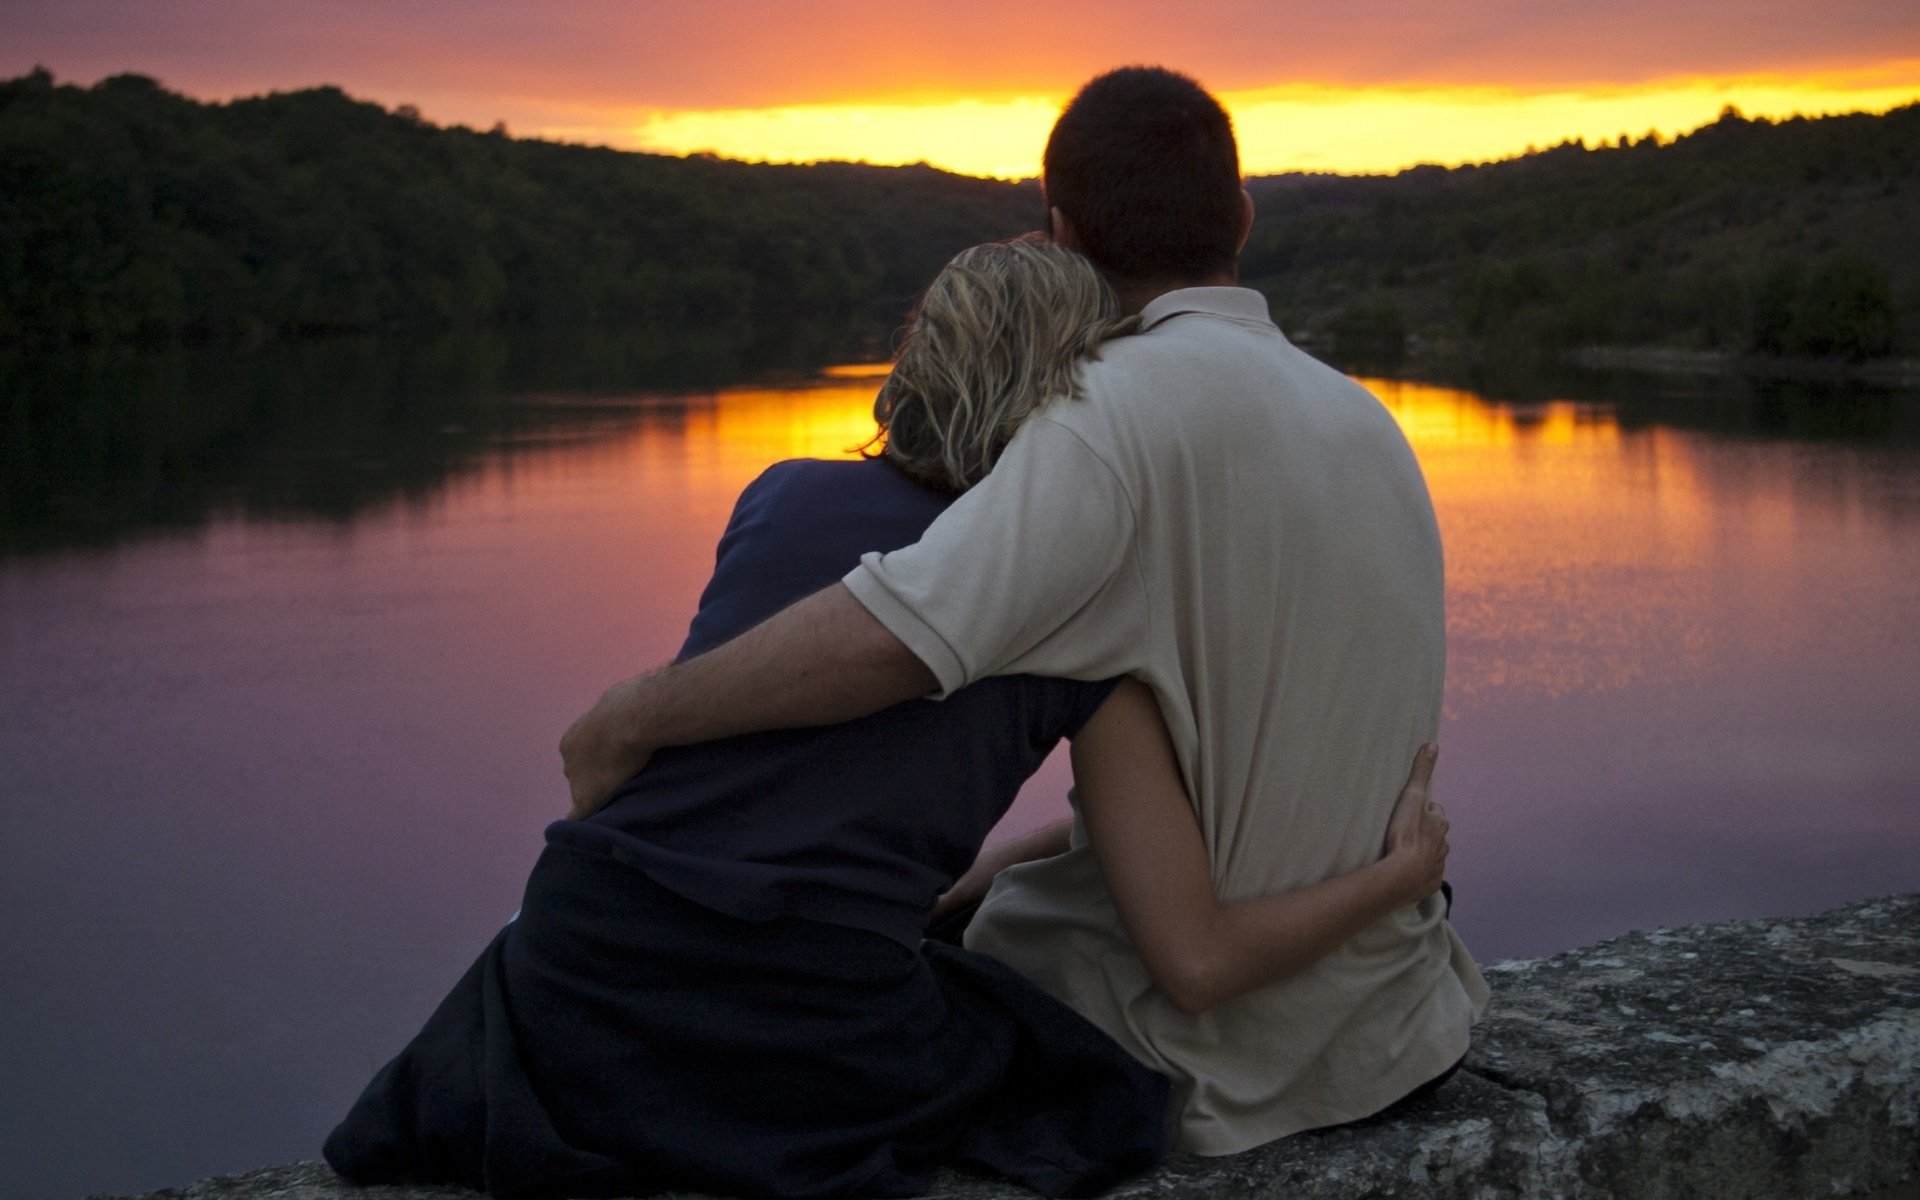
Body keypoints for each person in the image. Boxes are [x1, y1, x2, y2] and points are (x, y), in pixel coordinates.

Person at [325, 237, 1454, 1200]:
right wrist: (1397, 877)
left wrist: (954, 888)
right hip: (795, 1013)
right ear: (1079, 394)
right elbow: (1193, 954)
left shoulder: (777, 495)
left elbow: (793, 788)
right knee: (1083, 1080)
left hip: (577, 959)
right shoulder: (1076, 603)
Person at [559, 66, 1490, 1153]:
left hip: (1212, 1063)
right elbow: (1218, 793)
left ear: (1057, 231)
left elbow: (897, 631)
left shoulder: (1106, 419)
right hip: (1396, 1028)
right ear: (1240, 215)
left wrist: (636, 716)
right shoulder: (1368, 423)